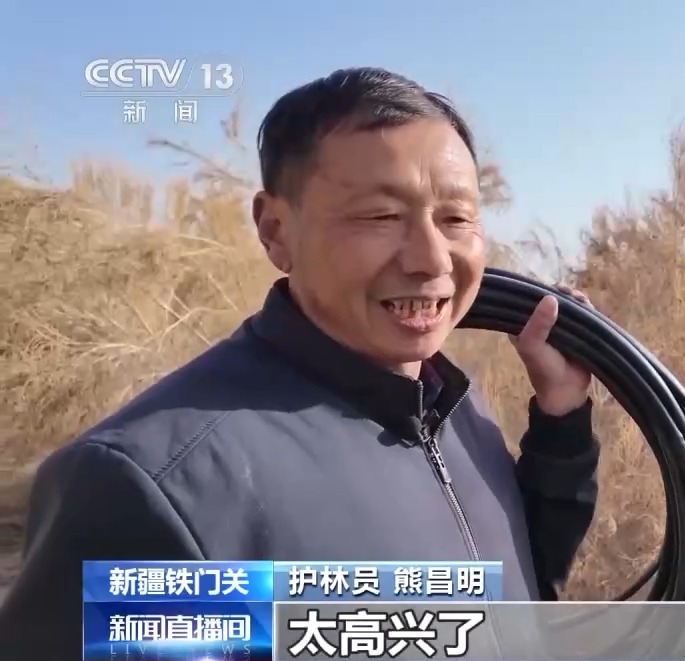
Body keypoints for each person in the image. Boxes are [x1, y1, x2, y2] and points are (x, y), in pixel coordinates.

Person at [0, 67, 601, 659]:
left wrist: (562, 422)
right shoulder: (152, 487)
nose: (431, 258)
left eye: (456, 218)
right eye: (381, 216)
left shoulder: (448, 401)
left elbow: (515, 594)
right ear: (276, 230)